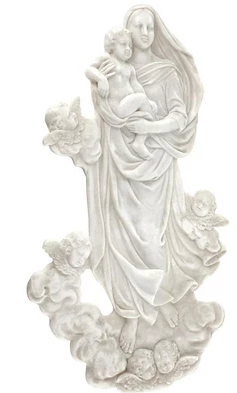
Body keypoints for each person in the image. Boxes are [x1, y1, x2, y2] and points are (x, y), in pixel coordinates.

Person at [85, 5, 225, 354]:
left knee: (152, 239)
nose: (145, 32)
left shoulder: (167, 71)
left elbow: (179, 117)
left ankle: (161, 298)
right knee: (122, 239)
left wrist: (148, 128)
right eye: (138, 26)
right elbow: (104, 108)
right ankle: (132, 315)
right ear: (126, 32)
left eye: (150, 26)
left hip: (156, 165)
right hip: (120, 165)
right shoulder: (115, 66)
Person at [86, 27, 156, 160]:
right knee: (142, 100)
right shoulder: (107, 58)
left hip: (127, 106)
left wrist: (148, 101)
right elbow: (89, 70)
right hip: (117, 108)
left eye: (130, 46)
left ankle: (140, 140)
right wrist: (101, 78)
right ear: (111, 46)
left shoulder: (129, 68)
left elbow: (137, 87)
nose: (128, 48)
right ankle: (145, 137)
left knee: (151, 105)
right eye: (123, 44)